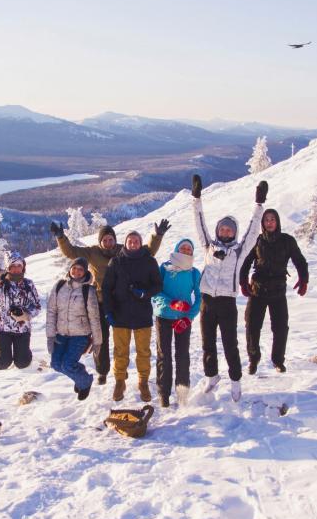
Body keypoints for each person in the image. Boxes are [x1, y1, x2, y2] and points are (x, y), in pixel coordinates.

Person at [50, 219, 168, 386]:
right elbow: (71, 252)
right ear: (100, 241)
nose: (107, 242)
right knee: (101, 339)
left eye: (110, 239)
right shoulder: (92, 252)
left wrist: (157, 236)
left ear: (115, 239)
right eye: (104, 240)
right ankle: (103, 371)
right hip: (100, 302)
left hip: (123, 302)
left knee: (122, 341)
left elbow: (147, 251)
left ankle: (122, 371)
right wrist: (61, 237)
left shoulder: (123, 249)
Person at [191, 174, 267, 402]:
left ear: (234, 232)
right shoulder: (208, 246)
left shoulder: (239, 251)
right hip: (207, 301)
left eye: (229, 230)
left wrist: (259, 204)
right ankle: (211, 376)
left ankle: (235, 381)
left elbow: (254, 231)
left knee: (229, 344)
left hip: (227, 303)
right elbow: (199, 222)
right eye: (222, 229)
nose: (225, 232)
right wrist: (196, 198)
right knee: (207, 343)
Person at [240, 206, 309, 374]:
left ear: (277, 222)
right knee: (252, 325)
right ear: (263, 223)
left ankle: (278, 360)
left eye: (272, 220)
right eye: (266, 220)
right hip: (258, 291)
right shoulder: (258, 241)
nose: (269, 223)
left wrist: (303, 279)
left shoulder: (287, 240)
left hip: (278, 291)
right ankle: (253, 359)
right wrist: (243, 282)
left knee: (280, 328)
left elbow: (300, 261)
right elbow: (246, 263)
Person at [101, 230, 163, 402]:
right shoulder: (116, 262)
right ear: (125, 243)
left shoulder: (149, 261)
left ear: (141, 243)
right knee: (120, 351)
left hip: (142, 315)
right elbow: (106, 288)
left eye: (136, 241)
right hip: (120, 315)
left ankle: (143, 382)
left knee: (143, 351)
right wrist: (108, 311)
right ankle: (120, 381)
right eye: (130, 241)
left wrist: (145, 293)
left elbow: (158, 285)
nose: (133, 243)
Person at [152, 238, 202, 408]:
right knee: (163, 355)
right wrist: (171, 303)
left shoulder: (194, 272)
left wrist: (189, 317)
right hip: (164, 316)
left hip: (183, 320)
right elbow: (155, 291)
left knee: (182, 356)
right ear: (177, 249)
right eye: (183, 247)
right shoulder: (165, 268)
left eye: (189, 248)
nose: (186, 250)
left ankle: (182, 395)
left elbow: (200, 298)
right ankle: (163, 395)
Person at [45, 257, 102, 400]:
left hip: (80, 335)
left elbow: (94, 317)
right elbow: (51, 312)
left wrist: (97, 341)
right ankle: (80, 375)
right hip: (61, 334)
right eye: (74, 268)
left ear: (85, 272)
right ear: (70, 269)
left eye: (80, 269)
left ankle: (85, 381)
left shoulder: (88, 291)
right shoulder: (59, 286)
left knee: (68, 365)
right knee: (56, 364)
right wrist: (50, 336)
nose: (76, 272)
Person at [0, 253, 41, 371]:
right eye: (12, 266)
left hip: (22, 329)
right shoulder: (2, 282)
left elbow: (37, 306)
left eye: (19, 265)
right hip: (2, 329)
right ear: (8, 268)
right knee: (3, 363)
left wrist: (27, 315)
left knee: (22, 363)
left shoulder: (28, 284)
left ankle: (25, 354)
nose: (16, 269)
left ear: (23, 267)